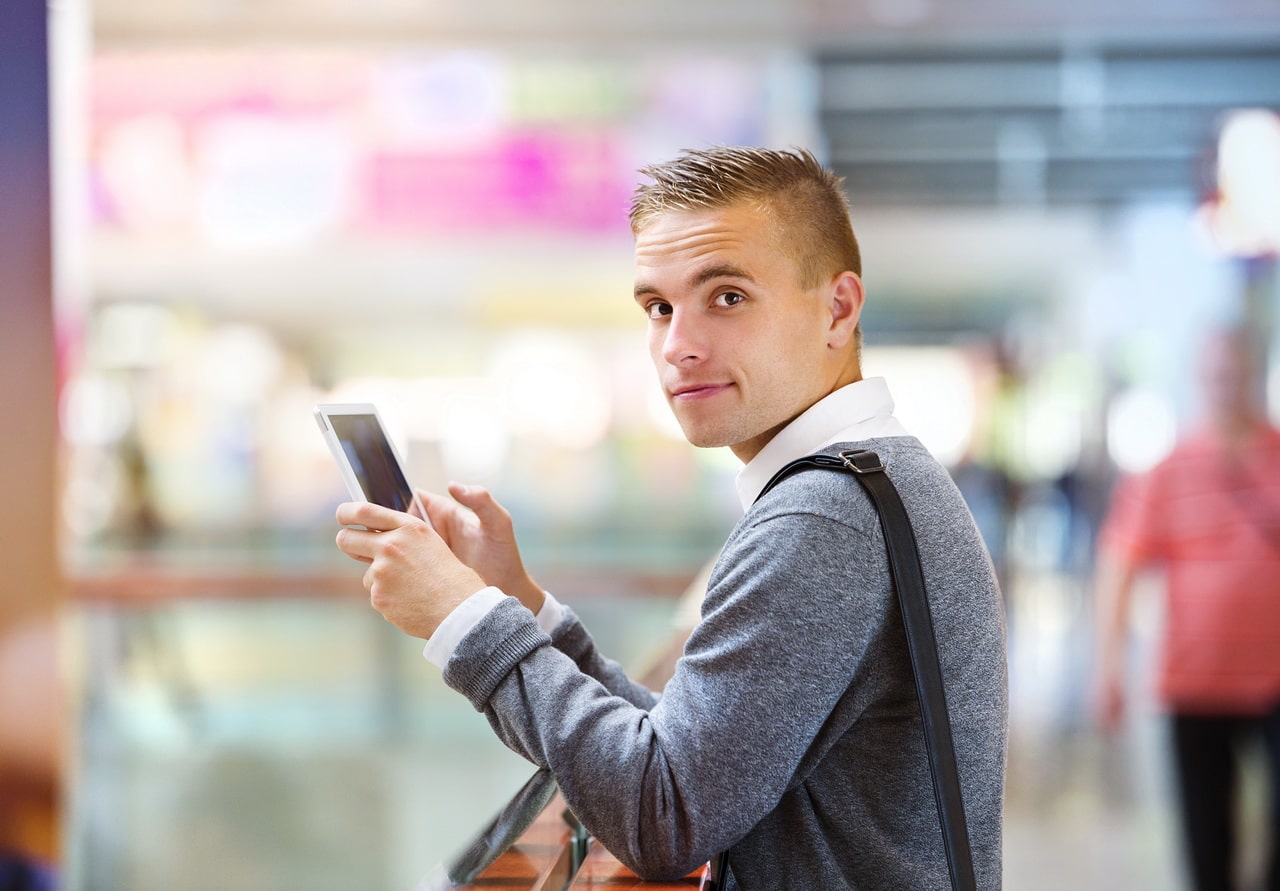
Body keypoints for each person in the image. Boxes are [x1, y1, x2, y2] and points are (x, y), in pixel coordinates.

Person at [335, 146, 1008, 889]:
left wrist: (462, 618)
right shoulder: (862, 480)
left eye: (726, 297)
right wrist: (519, 604)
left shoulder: (824, 518)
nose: (679, 346)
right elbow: (705, 756)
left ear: (838, 309)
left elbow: (663, 814)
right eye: (658, 307)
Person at [1093, 326, 1280, 891]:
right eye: (1216, 372)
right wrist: (1109, 668)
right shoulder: (1169, 471)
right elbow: (1119, 566)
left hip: (1274, 678)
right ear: (1201, 379)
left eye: (1236, 370)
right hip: (1195, 683)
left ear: (1253, 373)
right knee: (1206, 839)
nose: (1227, 383)